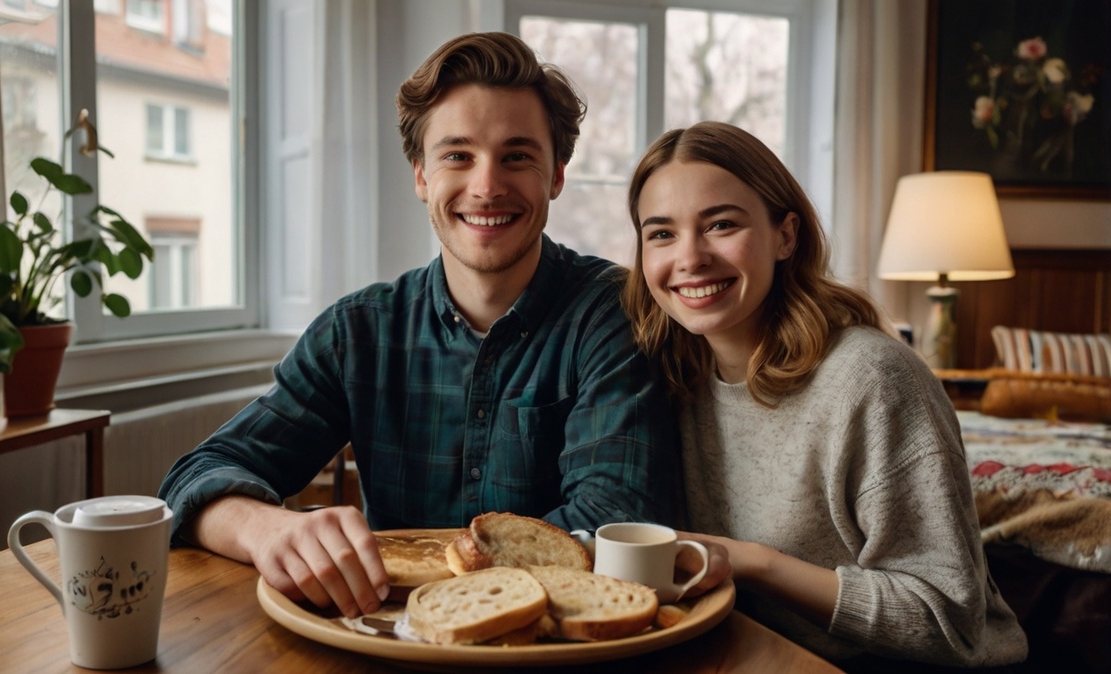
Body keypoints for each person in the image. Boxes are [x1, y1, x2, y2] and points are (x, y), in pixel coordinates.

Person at [158, 32, 697, 620]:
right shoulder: (358, 332)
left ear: (557, 175)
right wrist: (267, 528)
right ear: (420, 175)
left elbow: (615, 520)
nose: (486, 186)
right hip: (386, 641)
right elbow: (194, 479)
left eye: (517, 156)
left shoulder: (614, 313)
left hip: (555, 648)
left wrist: (447, 584)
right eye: (457, 156)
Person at [622, 121, 1028, 669]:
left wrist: (754, 562)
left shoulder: (873, 379)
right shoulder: (667, 376)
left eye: (721, 225)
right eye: (662, 234)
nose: (690, 257)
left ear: (785, 236)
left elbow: (947, 621)